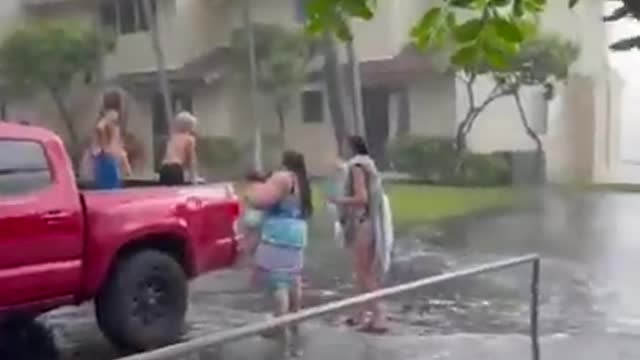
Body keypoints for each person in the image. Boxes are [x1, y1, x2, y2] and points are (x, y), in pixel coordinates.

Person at [245, 151, 312, 358]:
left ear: (285, 162)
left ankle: (280, 326)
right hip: (297, 233)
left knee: (278, 282)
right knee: (292, 278)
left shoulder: (283, 177)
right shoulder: (301, 181)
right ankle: (294, 322)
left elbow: (260, 200)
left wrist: (250, 192)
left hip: (278, 234)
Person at [328, 135, 394, 334]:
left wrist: (337, 199)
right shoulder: (366, 165)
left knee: (364, 272)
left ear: (351, 148)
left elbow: (361, 198)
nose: (343, 149)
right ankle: (360, 313)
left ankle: (379, 316)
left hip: (362, 223)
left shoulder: (357, 167)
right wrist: (340, 168)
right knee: (361, 272)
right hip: (369, 223)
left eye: (345, 146)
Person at [91, 109, 132, 190]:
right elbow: (99, 127)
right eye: (114, 122)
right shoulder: (103, 146)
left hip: (113, 180)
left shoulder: (115, 145)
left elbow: (122, 154)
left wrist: (127, 166)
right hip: (105, 180)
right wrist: (107, 118)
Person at [159, 111, 201, 185]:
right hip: (175, 169)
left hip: (164, 168)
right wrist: (194, 178)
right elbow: (192, 160)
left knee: (166, 193)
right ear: (190, 126)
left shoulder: (172, 137)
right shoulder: (190, 139)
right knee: (177, 192)